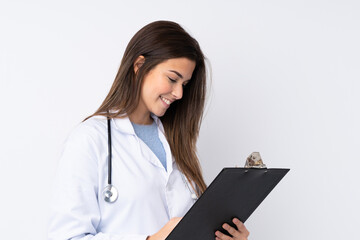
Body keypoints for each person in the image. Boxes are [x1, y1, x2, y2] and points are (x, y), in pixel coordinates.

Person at [48, 20, 249, 240]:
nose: (179, 93)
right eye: (172, 79)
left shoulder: (176, 142)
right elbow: (66, 237)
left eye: (185, 84)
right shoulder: (88, 140)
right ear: (139, 65)